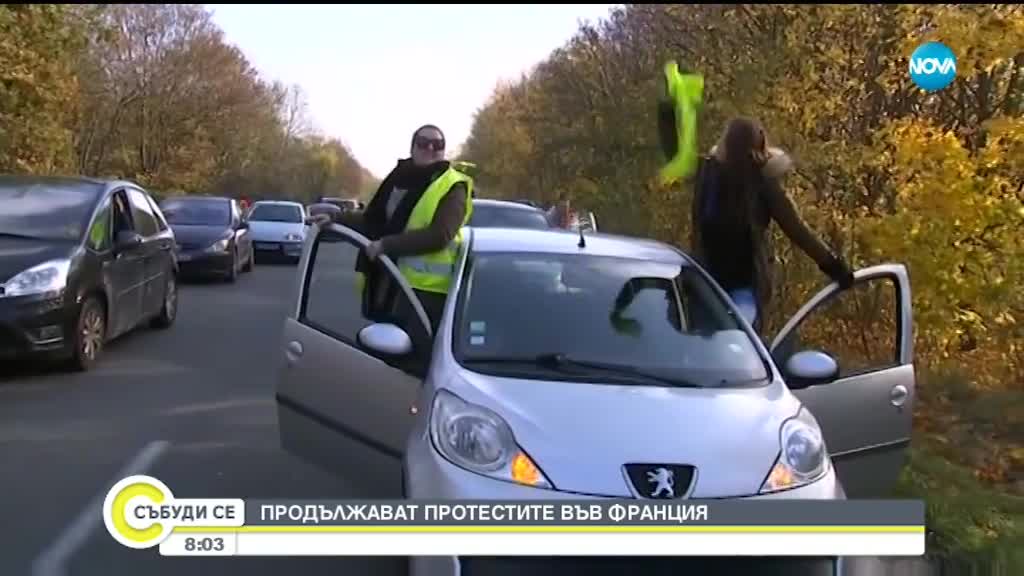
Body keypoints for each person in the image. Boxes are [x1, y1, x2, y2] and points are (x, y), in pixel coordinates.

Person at [683, 117, 855, 332]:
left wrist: (834, 267)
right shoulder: (711, 175)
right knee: (725, 341)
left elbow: (797, 230)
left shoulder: (756, 183)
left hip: (730, 285)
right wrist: (835, 267)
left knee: (729, 338)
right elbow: (798, 231)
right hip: (711, 284)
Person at [313, 124, 473, 335]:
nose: (431, 148)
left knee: (411, 361)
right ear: (412, 148)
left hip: (426, 295)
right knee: (383, 352)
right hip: (388, 282)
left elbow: (440, 235)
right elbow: (374, 221)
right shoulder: (397, 179)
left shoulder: (454, 185)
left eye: (438, 144)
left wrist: (386, 245)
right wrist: (336, 218)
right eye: (423, 143)